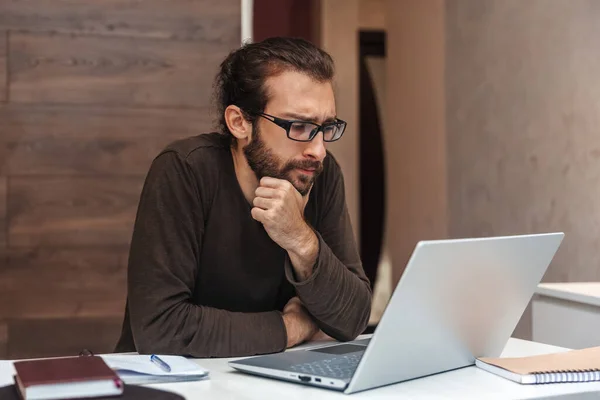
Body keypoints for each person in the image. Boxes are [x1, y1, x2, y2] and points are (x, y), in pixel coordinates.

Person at [115, 37, 372, 357]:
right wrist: (295, 326)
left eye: (326, 127)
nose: (318, 150)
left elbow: (354, 317)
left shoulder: (319, 173)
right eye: (300, 126)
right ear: (240, 123)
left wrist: (301, 240)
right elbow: (161, 329)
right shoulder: (185, 170)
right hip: (172, 382)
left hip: (273, 380)